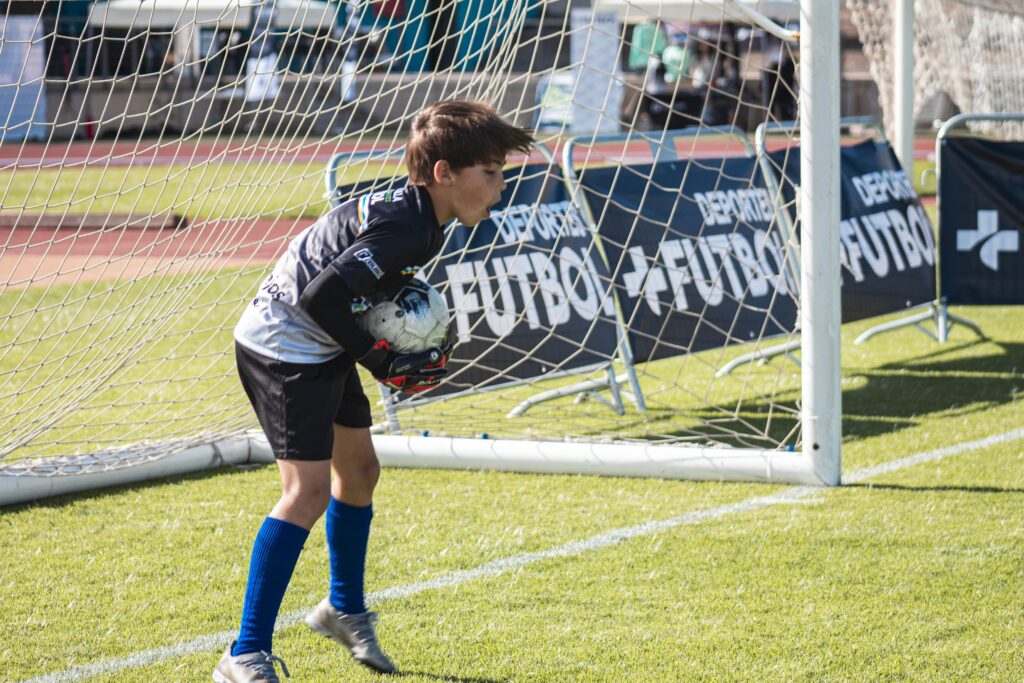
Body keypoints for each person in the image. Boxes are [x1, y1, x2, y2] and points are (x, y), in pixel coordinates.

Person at [214, 100, 535, 682]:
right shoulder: (411, 228)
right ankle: (244, 654)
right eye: (490, 171)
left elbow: (348, 291)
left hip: (320, 341)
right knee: (306, 493)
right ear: (445, 173)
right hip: (283, 345)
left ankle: (342, 608)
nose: (500, 184)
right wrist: (381, 359)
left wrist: (380, 341)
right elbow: (319, 298)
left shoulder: (422, 217)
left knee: (358, 473)